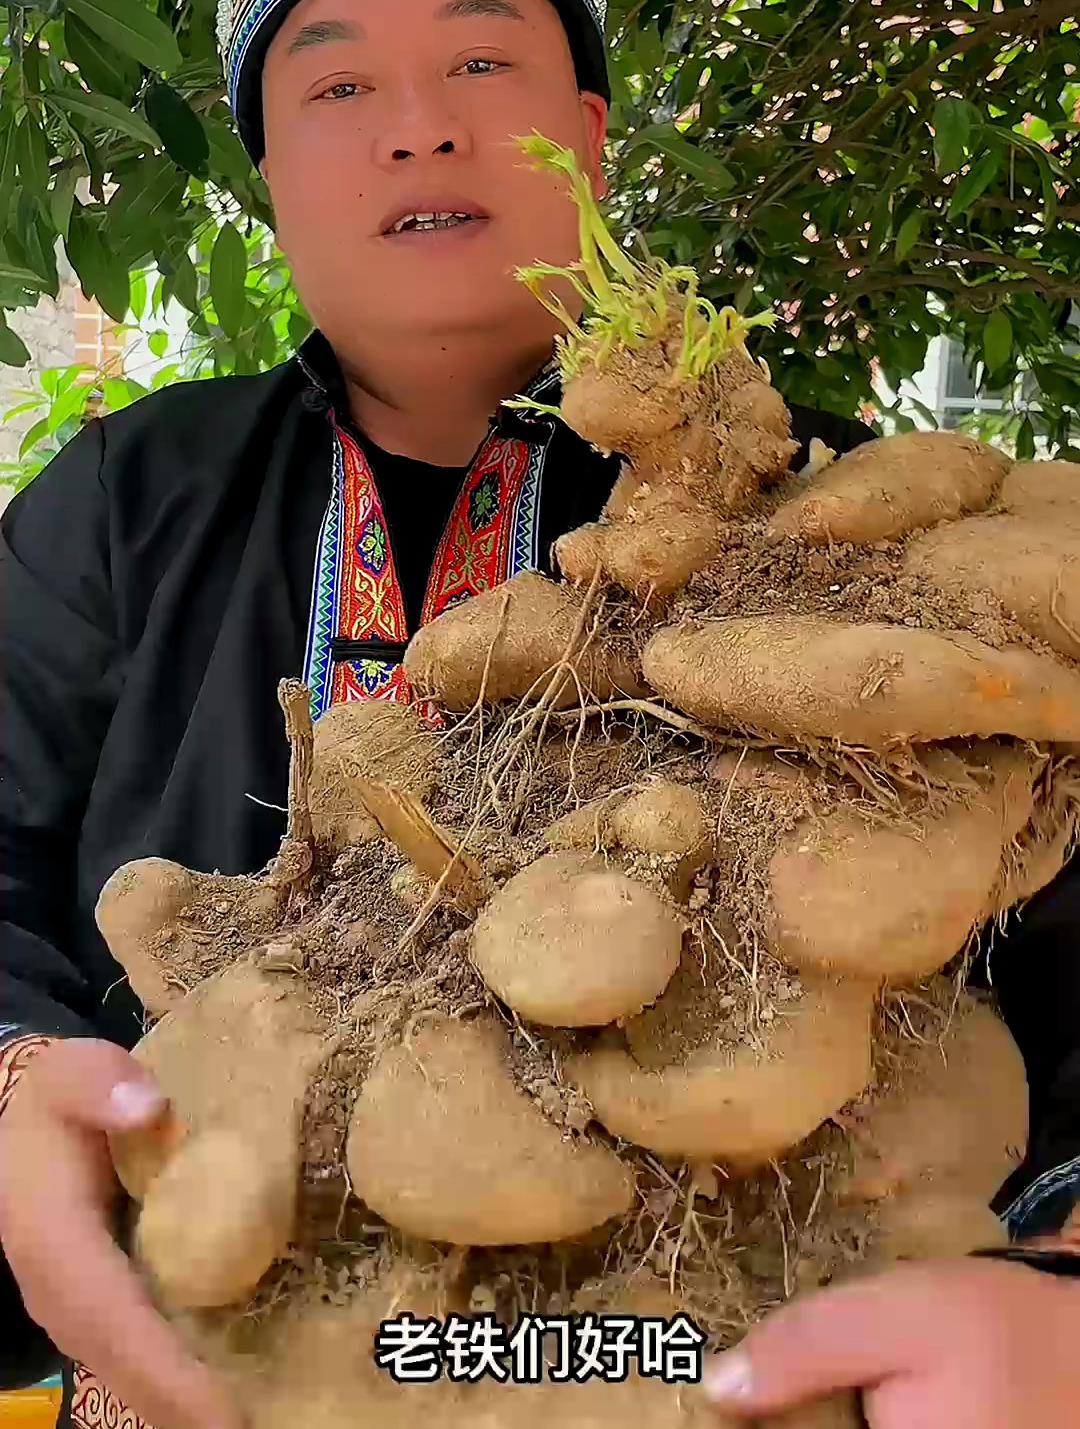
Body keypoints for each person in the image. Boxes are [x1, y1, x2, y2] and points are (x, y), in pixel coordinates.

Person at [0, 0, 1077, 1426]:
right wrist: (15, 1079)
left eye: (479, 60)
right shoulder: (127, 500)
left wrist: (1060, 1276)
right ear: (272, 180)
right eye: (338, 86)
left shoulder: (855, 524)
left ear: (586, 137)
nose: (419, 127)